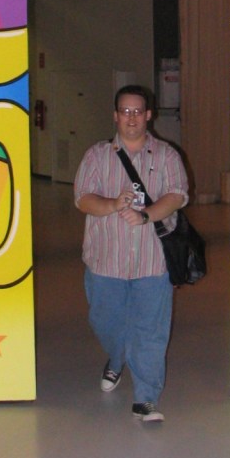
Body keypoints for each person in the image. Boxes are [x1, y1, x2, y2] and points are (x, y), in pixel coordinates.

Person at [74, 84, 188, 423]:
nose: (132, 118)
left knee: (151, 331)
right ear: (115, 116)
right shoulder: (96, 155)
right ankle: (116, 357)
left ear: (149, 115)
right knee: (104, 320)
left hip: (153, 261)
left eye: (138, 111)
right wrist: (112, 204)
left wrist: (145, 215)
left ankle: (146, 398)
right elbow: (82, 198)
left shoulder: (166, 155)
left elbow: (178, 194)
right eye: (125, 111)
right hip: (105, 259)